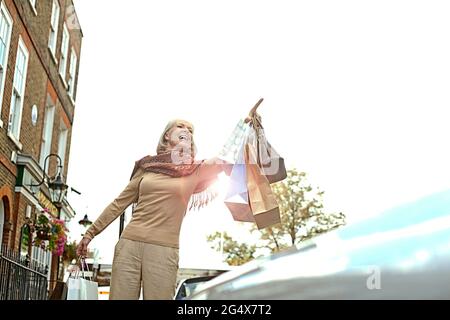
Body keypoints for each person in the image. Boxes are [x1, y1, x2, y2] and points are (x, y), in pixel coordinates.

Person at [76, 119, 231, 300]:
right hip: (129, 246)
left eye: (190, 130)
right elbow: (118, 204)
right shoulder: (147, 168)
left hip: (164, 250)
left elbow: (224, 159)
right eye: (180, 126)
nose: (187, 130)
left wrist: (246, 127)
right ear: (167, 135)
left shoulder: (196, 170)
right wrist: (89, 234)